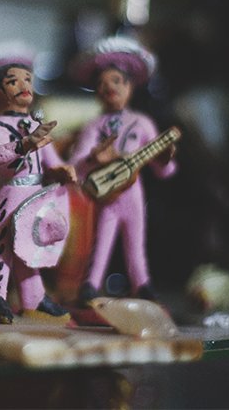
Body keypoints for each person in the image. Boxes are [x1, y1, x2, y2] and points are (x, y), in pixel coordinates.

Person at [68, 35, 177, 304]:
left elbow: (164, 171)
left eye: (116, 81)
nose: (110, 88)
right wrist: (94, 158)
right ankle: (91, 285)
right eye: (102, 84)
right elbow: (77, 163)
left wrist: (164, 159)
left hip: (133, 192)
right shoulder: (94, 126)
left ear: (130, 86)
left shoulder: (142, 123)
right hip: (107, 193)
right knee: (102, 240)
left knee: (135, 242)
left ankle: (142, 284)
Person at [0, 41, 77, 323]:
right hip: (9, 192)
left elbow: (50, 158)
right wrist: (24, 144)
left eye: (28, 80)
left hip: (35, 193)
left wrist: (61, 171)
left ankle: (34, 299)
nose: (24, 85)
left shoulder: (35, 126)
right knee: (2, 246)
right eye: (14, 81)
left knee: (29, 246)